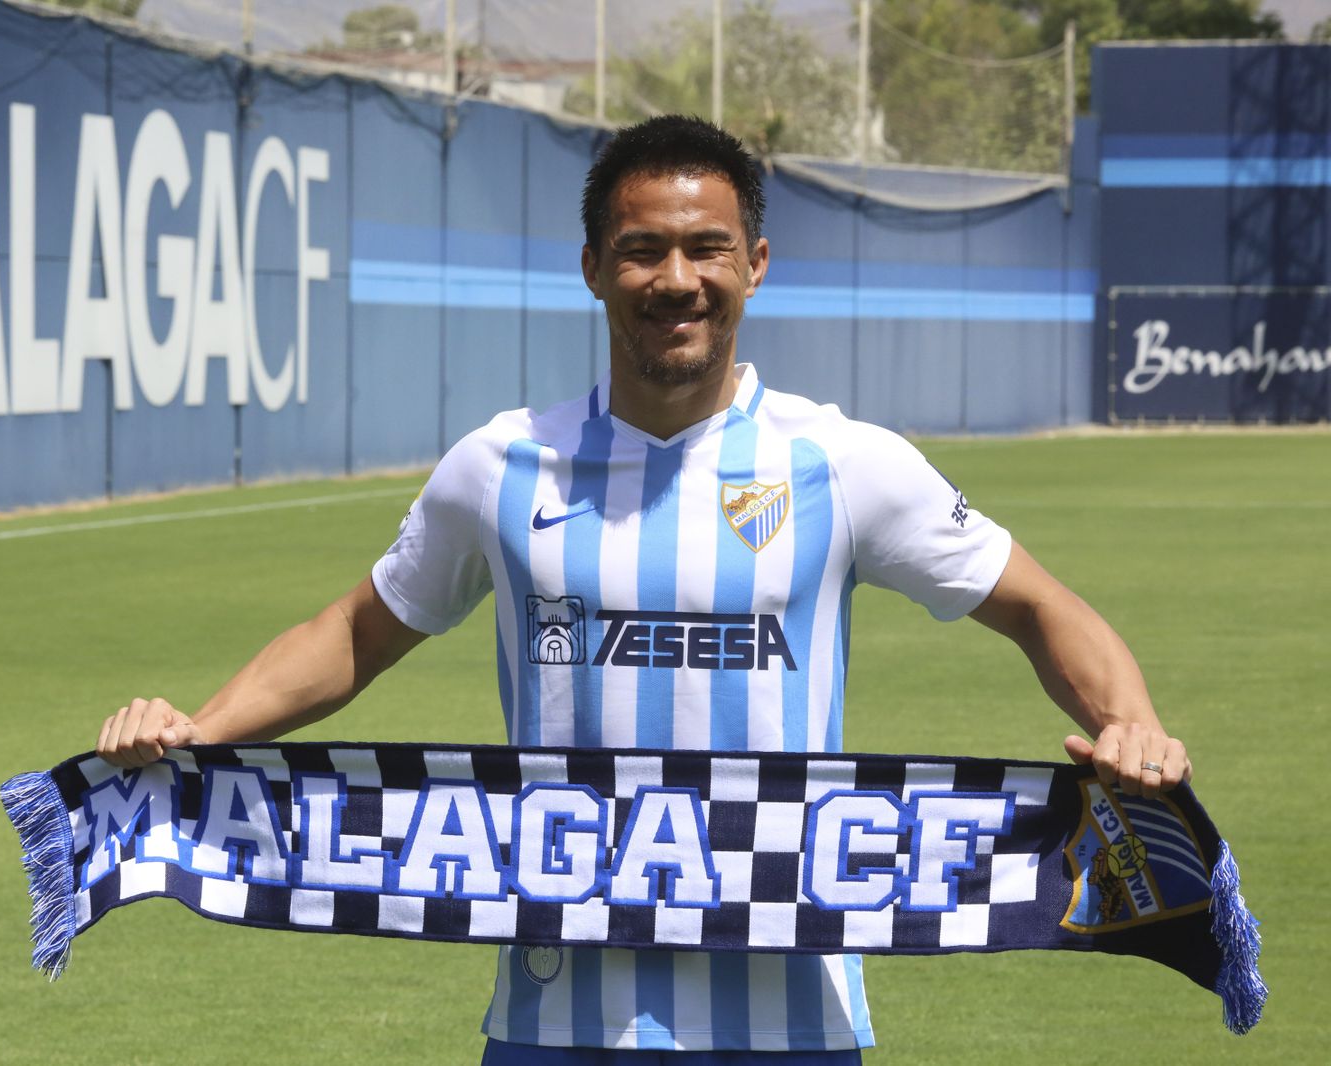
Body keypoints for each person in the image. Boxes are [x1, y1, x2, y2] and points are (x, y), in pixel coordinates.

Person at [96, 115, 1191, 1064]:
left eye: (707, 248)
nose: (677, 279)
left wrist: (1129, 724)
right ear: (591, 266)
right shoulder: (501, 464)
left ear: (755, 261)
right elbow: (356, 631)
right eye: (643, 251)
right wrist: (199, 730)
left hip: (792, 1017)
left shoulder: (843, 462)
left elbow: (1040, 606)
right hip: (556, 1014)